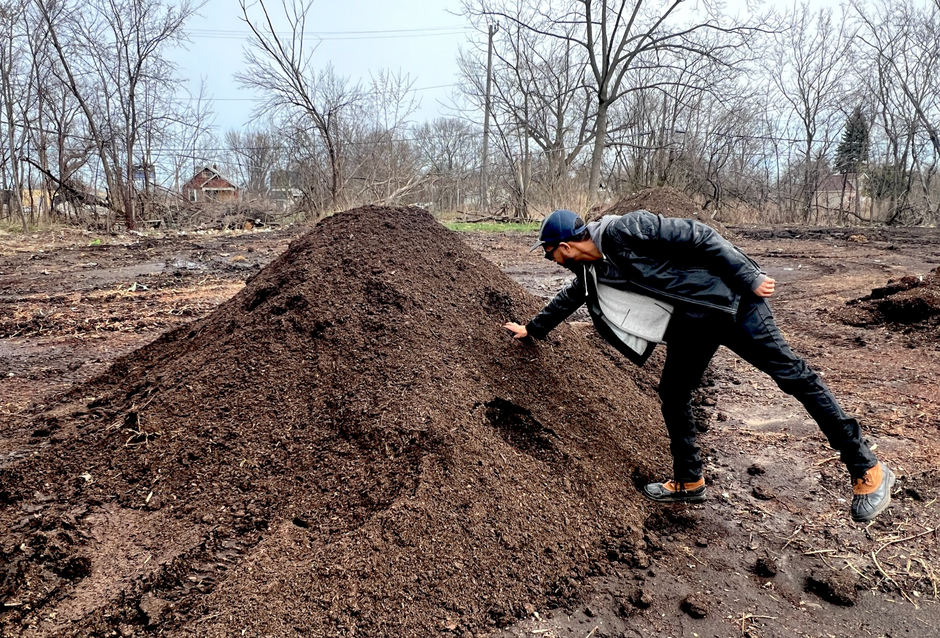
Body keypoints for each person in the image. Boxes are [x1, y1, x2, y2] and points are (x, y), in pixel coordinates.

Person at [503, 208, 894, 522]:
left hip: (733, 306)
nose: (550, 260)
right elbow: (570, 297)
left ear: (566, 246)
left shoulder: (626, 229)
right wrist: (533, 329)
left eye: (548, 252)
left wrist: (749, 275)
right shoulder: (593, 269)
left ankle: (866, 468)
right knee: (673, 392)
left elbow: (699, 235)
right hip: (692, 325)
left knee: (794, 377)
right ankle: (689, 480)